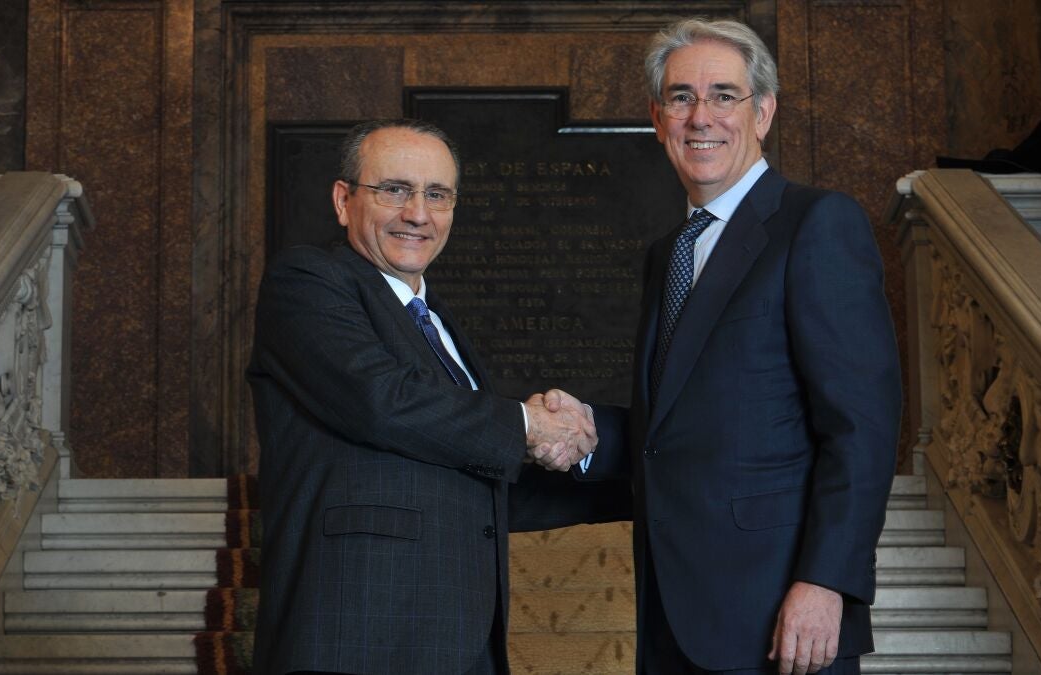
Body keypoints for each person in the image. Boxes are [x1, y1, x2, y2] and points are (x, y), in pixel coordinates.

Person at [552, 17, 902, 675]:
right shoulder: (668, 254)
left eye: (723, 96)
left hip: (781, 619)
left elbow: (861, 426)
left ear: (762, 112)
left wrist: (826, 582)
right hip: (673, 617)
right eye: (681, 98)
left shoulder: (816, 224)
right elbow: (673, 429)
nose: (700, 116)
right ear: (658, 120)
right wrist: (584, 430)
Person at [246, 118, 610, 675]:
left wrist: (633, 471)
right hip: (356, 635)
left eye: (437, 195)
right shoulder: (307, 282)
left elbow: (473, 477)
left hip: (457, 637)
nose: (418, 213)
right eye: (395, 190)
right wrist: (528, 425)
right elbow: (381, 401)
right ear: (343, 201)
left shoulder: (438, 323)